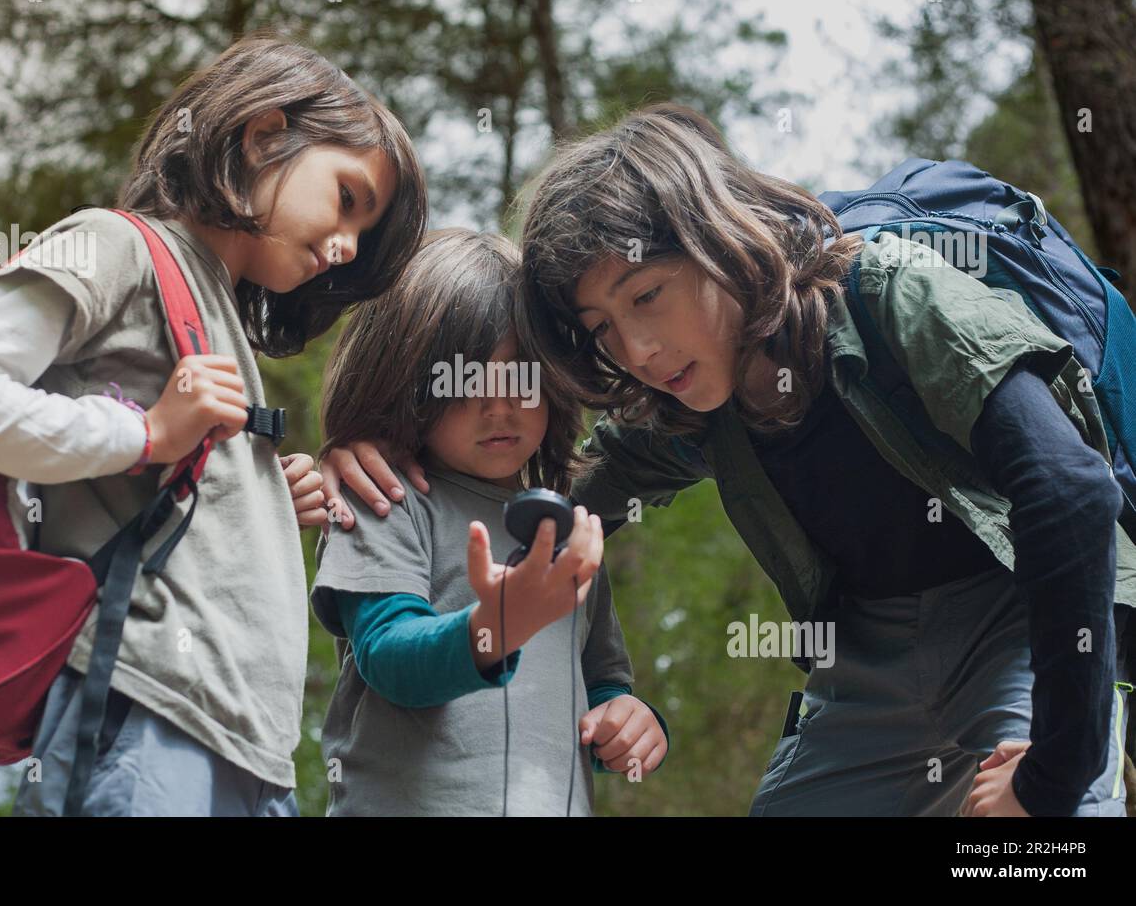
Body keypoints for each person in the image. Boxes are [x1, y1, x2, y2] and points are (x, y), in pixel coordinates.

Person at [320, 103, 1135, 817]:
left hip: (1021, 614)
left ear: (717, 241)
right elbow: (545, 500)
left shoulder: (892, 293)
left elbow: (1067, 494)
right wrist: (375, 446)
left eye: (646, 296)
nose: (636, 349)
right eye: (602, 328)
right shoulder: (689, 409)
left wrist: (1055, 778)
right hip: (869, 658)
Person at [0, 32, 427, 816]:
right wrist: (147, 435)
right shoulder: (118, 246)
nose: (345, 248)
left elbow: (158, 481)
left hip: (253, 756)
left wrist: (260, 498)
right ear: (265, 133)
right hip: (146, 717)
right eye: (348, 199)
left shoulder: (218, 313)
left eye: (363, 239)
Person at [311, 229, 668, 815]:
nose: (498, 405)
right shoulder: (385, 497)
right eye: (466, 378)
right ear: (404, 380)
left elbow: (602, 684)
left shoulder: (565, 532)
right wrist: (493, 629)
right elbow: (387, 656)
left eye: (521, 374)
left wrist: (630, 720)